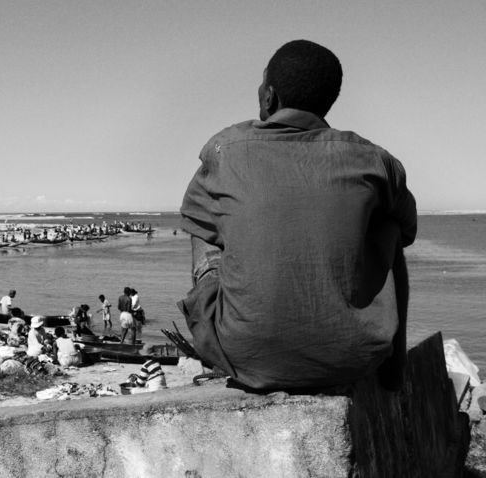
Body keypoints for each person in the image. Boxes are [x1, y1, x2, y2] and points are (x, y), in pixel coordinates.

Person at [179, 40, 417, 392]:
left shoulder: (224, 150)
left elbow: (199, 221)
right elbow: (408, 231)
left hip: (243, 355)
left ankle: (238, 338)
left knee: (202, 222)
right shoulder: (375, 160)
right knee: (388, 227)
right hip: (354, 357)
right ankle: (395, 372)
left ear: (269, 97)